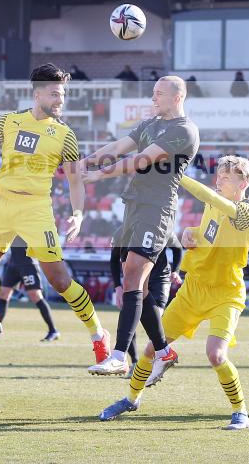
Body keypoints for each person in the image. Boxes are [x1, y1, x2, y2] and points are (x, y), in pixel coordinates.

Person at [0, 64, 109, 363]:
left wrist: (78, 213)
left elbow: (75, 180)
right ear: (37, 94)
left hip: (36, 208)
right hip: (1, 204)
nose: (60, 100)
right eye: (54, 94)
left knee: (60, 280)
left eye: (62, 95)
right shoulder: (8, 122)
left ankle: (99, 335)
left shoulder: (66, 135)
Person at [98, 156, 249, 430]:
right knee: (152, 348)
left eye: (226, 178)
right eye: (218, 176)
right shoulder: (212, 203)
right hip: (193, 289)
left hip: (226, 293)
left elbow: (215, 201)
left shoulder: (248, 213)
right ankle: (131, 399)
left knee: (216, 354)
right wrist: (190, 233)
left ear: (243, 183)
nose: (219, 181)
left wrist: (175, 176)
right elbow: (209, 232)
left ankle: (240, 412)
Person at [82, 76, 200, 376]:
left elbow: (142, 160)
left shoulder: (184, 130)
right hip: (133, 206)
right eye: (153, 93)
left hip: (156, 209)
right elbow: (120, 145)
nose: (153, 98)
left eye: (159, 94)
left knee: (133, 273)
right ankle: (164, 351)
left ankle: (120, 356)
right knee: (139, 285)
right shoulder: (150, 124)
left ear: (177, 97)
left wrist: (99, 174)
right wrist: (87, 161)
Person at [109, 232, 182, 378]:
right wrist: (117, 287)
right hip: (137, 281)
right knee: (131, 319)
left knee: (155, 320)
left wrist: (176, 271)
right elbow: (114, 259)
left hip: (159, 280)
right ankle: (136, 362)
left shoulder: (159, 226)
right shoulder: (122, 232)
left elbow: (177, 248)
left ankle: (159, 358)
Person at [0, 237, 60, 342]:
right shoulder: (11, 223)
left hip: (28, 264)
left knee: (35, 295)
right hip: (13, 264)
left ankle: (53, 330)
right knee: (3, 294)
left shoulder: (28, 223)